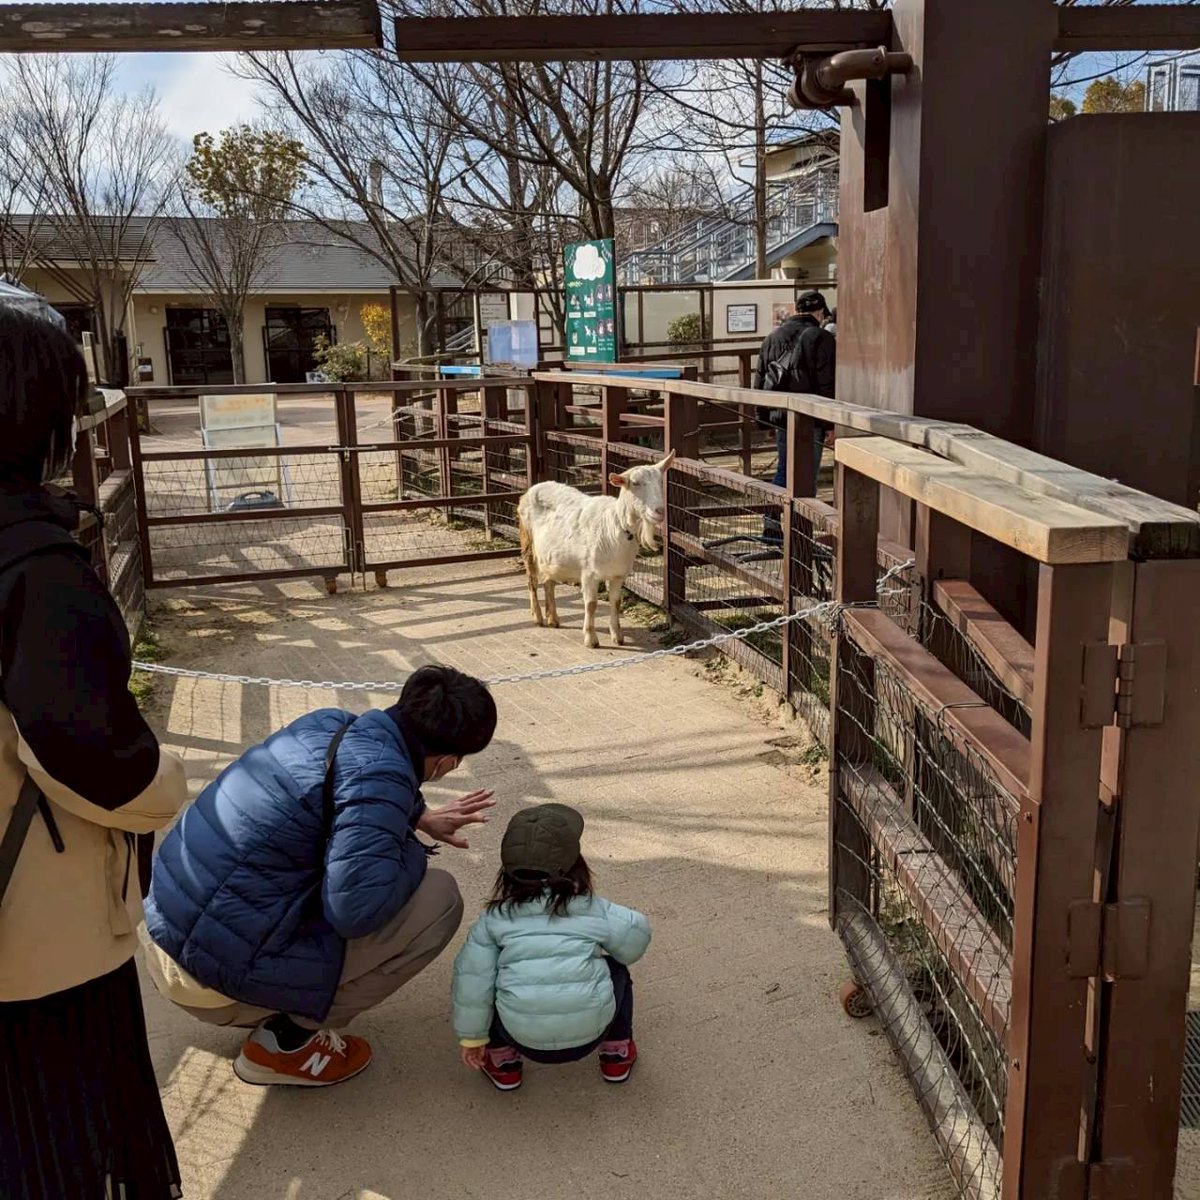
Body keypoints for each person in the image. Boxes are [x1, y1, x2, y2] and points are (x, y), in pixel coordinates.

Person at [0, 307, 190, 1199]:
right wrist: (173, 782)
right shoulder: (34, 571)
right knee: (61, 1135)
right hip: (38, 934)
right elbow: (95, 755)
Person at [142, 664, 498, 1088]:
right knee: (440, 899)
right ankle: (286, 1044)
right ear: (447, 763)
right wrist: (409, 849)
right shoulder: (380, 779)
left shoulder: (327, 725)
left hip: (164, 929)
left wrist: (416, 814)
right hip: (209, 978)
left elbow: (354, 784)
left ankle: (272, 1002)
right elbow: (355, 911)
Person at [452, 803, 651, 1092]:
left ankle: (503, 1062)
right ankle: (615, 1053)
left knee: (485, 977)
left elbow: (470, 983)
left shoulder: (494, 919)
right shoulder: (591, 909)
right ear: (577, 866)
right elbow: (634, 942)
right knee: (616, 968)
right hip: (592, 1031)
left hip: (520, 1036)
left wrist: (472, 1038)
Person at [754, 290, 837, 543]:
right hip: (810, 418)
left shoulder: (772, 337)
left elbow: (759, 381)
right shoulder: (822, 338)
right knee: (806, 475)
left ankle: (773, 521)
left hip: (781, 416)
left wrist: (763, 418)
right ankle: (799, 532)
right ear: (820, 312)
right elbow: (827, 385)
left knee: (784, 468)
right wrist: (831, 424)